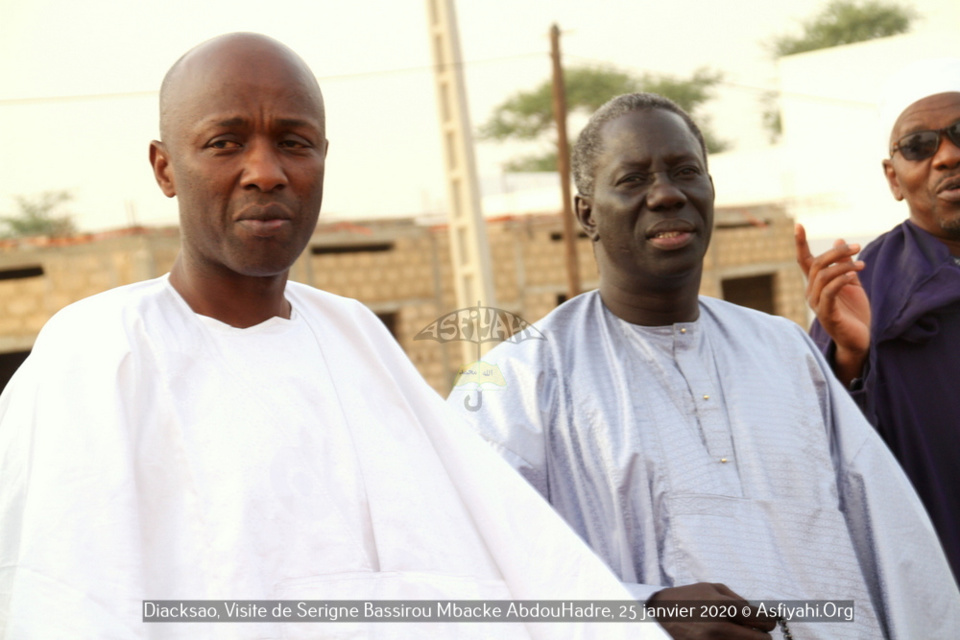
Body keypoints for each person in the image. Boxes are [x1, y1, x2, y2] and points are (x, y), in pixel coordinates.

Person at [0, 34, 666, 639]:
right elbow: (63, 598)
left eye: (294, 142)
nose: (266, 171)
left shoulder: (356, 338)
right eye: (225, 142)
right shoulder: (99, 351)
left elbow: (508, 550)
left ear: (322, 156)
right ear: (165, 167)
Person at [449, 92, 960, 639]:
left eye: (685, 172)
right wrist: (645, 610)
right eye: (632, 180)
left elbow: (896, 547)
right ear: (587, 213)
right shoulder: (519, 381)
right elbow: (457, 574)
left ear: (709, 191)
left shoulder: (783, 350)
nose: (666, 194)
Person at [795, 58, 960, 585]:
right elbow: (822, 458)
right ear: (893, 178)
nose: (948, 156)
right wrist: (850, 356)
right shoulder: (866, 288)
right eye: (919, 145)